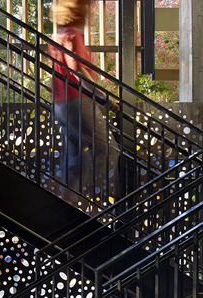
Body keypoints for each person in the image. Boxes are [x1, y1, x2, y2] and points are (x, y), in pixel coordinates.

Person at [48, 0, 120, 208]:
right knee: (107, 150)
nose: (91, 12)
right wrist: (105, 98)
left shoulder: (57, 37)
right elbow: (79, 71)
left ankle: (68, 200)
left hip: (61, 104)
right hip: (77, 101)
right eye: (87, 7)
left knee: (76, 153)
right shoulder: (73, 36)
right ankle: (95, 200)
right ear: (78, 10)